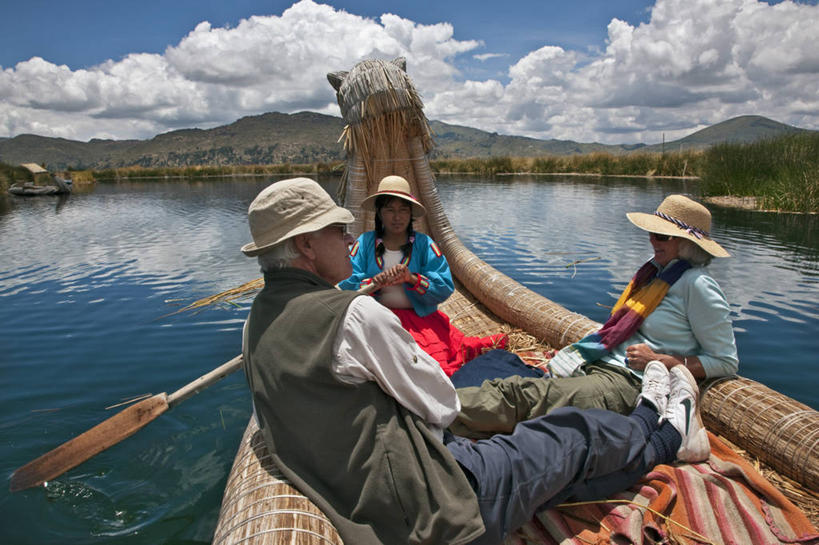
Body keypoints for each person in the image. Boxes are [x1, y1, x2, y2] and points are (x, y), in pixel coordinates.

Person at [240, 178, 710, 545]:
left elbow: (436, 292)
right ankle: (665, 430)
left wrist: (413, 285)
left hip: (385, 487)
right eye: (335, 231)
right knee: (573, 434)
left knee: (515, 411)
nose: (347, 239)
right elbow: (442, 405)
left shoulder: (254, 322)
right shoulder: (352, 312)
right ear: (306, 246)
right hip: (442, 505)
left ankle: (638, 426)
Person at [452, 194, 738, 438]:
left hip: (629, 382)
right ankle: (445, 416)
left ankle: (432, 413)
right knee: (504, 373)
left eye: (661, 235)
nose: (652, 240)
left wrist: (660, 360)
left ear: (686, 243)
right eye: (651, 232)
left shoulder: (698, 285)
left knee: (522, 396)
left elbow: (725, 361)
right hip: (600, 363)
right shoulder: (655, 273)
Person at [338, 175, 505, 375]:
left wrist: (412, 279)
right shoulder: (364, 243)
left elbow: (444, 287)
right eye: (389, 210)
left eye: (403, 210)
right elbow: (344, 282)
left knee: (430, 368)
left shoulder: (425, 244)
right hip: (376, 322)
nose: (397, 217)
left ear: (410, 214)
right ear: (379, 213)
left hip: (419, 323)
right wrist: (374, 283)